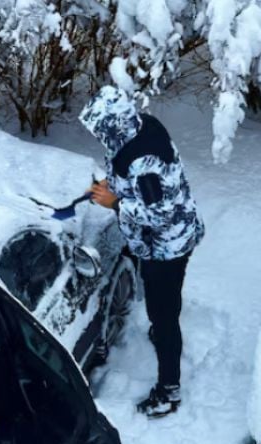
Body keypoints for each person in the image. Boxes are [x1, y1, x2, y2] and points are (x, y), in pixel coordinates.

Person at [79, 86, 205, 418]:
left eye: (99, 131)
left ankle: (169, 391)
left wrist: (116, 202)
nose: (98, 137)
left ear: (113, 126)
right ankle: (161, 330)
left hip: (167, 248)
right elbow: (129, 175)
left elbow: (159, 214)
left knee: (165, 315)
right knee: (161, 306)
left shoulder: (145, 162)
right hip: (161, 240)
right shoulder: (139, 127)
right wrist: (111, 187)